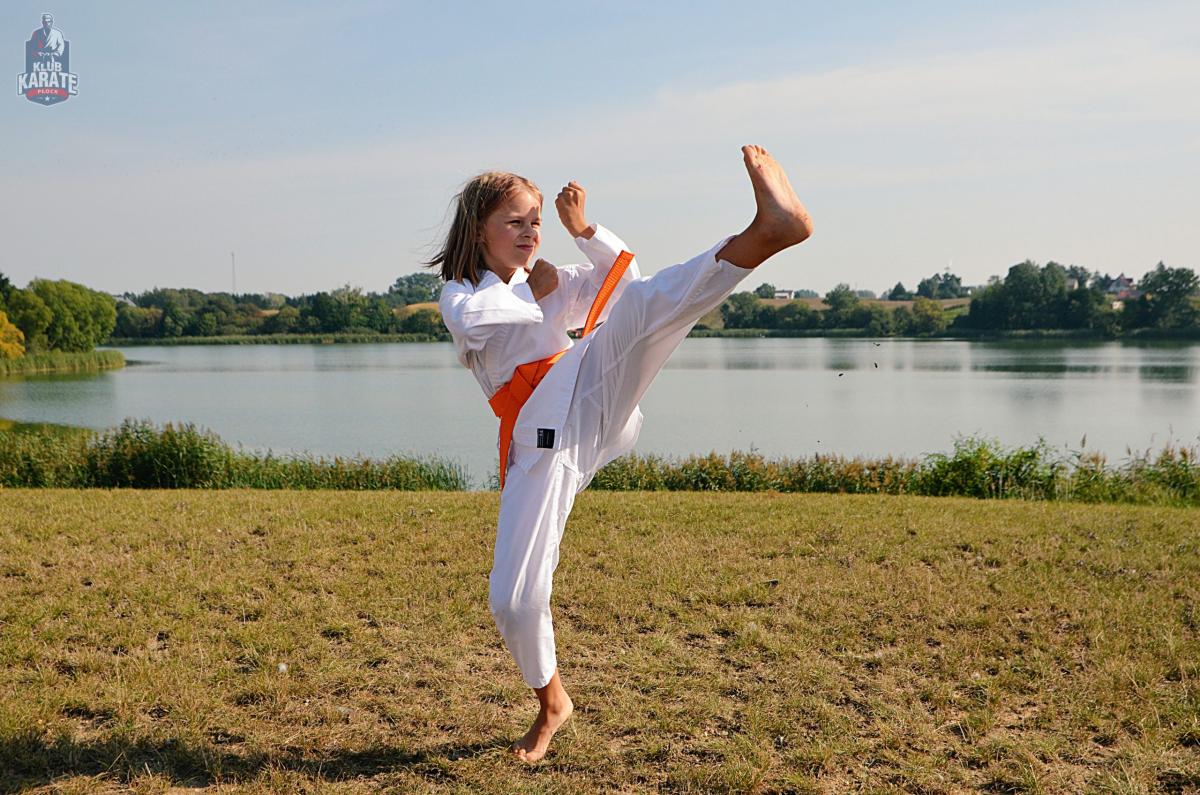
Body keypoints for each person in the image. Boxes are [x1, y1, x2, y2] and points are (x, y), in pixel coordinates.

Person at [433, 145, 813, 763]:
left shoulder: (549, 276)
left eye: (536, 221)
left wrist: (584, 232)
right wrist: (533, 288)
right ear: (480, 231)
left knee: (640, 309)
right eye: (515, 222)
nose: (530, 233)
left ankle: (766, 235)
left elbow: (625, 286)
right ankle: (552, 700)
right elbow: (475, 321)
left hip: (587, 388)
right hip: (540, 439)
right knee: (513, 599)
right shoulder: (461, 292)